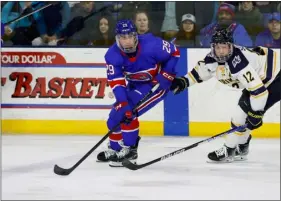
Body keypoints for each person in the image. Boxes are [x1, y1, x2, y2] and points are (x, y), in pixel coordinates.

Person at [170, 29, 280, 162]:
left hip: (275, 77)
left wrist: (257, 113)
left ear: (231, 47)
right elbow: (199, 73)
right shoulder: (211, 59)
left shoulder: (238, 62)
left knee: (241, 115)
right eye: (218, 47)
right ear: (212, 47)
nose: (221, 51)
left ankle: (229, 149)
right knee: (247, 116)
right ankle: (242, 147)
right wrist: (184, 81)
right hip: (262, 78)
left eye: (224, 47)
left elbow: (259, 92)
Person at [97, 20, 180, 167]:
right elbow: (117, 83)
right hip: (134, 85)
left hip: (155, 85)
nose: (127, 41)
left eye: (129, 36)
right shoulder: (112, 55)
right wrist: (122, 103)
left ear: (135, 36)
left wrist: (166, 74)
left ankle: (130, 151)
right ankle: (115, 149)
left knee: (129, 114)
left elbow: (175, 52)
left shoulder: (152, 45)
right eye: (123, 37)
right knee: (115, 115)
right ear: (117, 38)